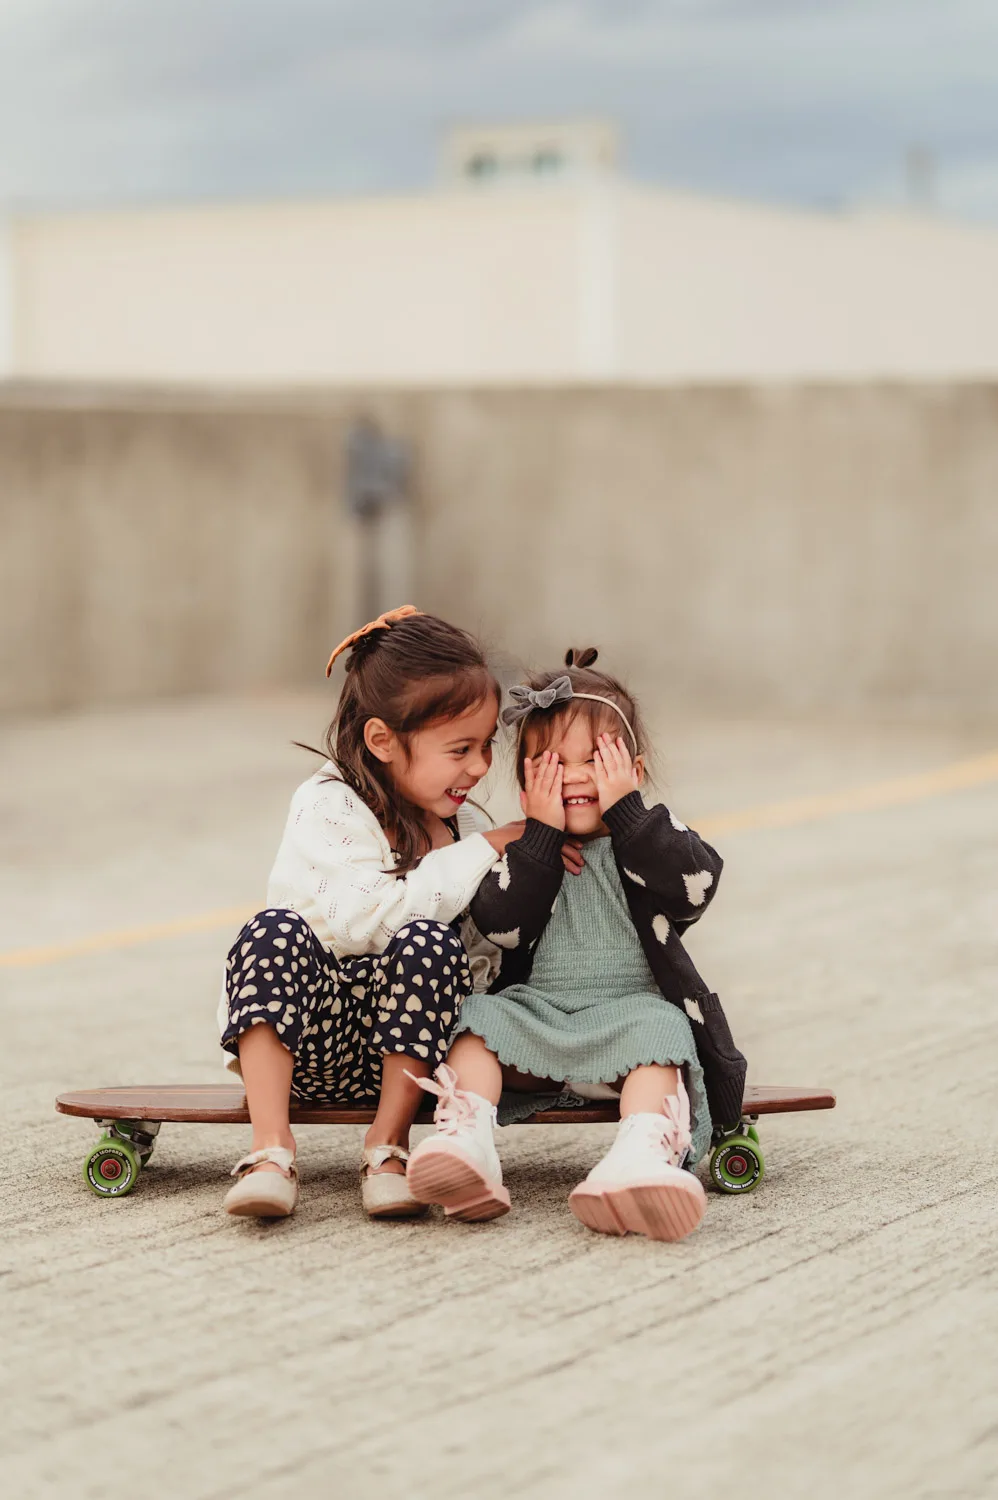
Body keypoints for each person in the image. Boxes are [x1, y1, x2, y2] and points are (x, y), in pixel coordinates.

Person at [405, 648, 747, 1243]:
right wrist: (537, 840)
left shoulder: (652, 842)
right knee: (474, 1022)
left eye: (596, 760)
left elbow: (697, 886)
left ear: (633, 771)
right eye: (552, 764)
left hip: (627, 1016)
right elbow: (502, 925)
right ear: (526, 784)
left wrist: (634, 818)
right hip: (537, 1018)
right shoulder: (523, 852)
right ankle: (467, 1143)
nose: (577, 775)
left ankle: (640, 1157)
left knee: (664, 1034)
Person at [218, 606, 528, 1221]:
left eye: (487, 746)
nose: (480, 767)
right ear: (382, 740)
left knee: (433, 946)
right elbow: (366, 920)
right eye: (461, 748)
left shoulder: (461, 827)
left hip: (411, 1062)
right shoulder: (328, 806)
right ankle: (270, 1149)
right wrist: (481, 852)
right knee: (269, 931)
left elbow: (477, 959)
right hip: (310, 1045)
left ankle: (387, 1148)